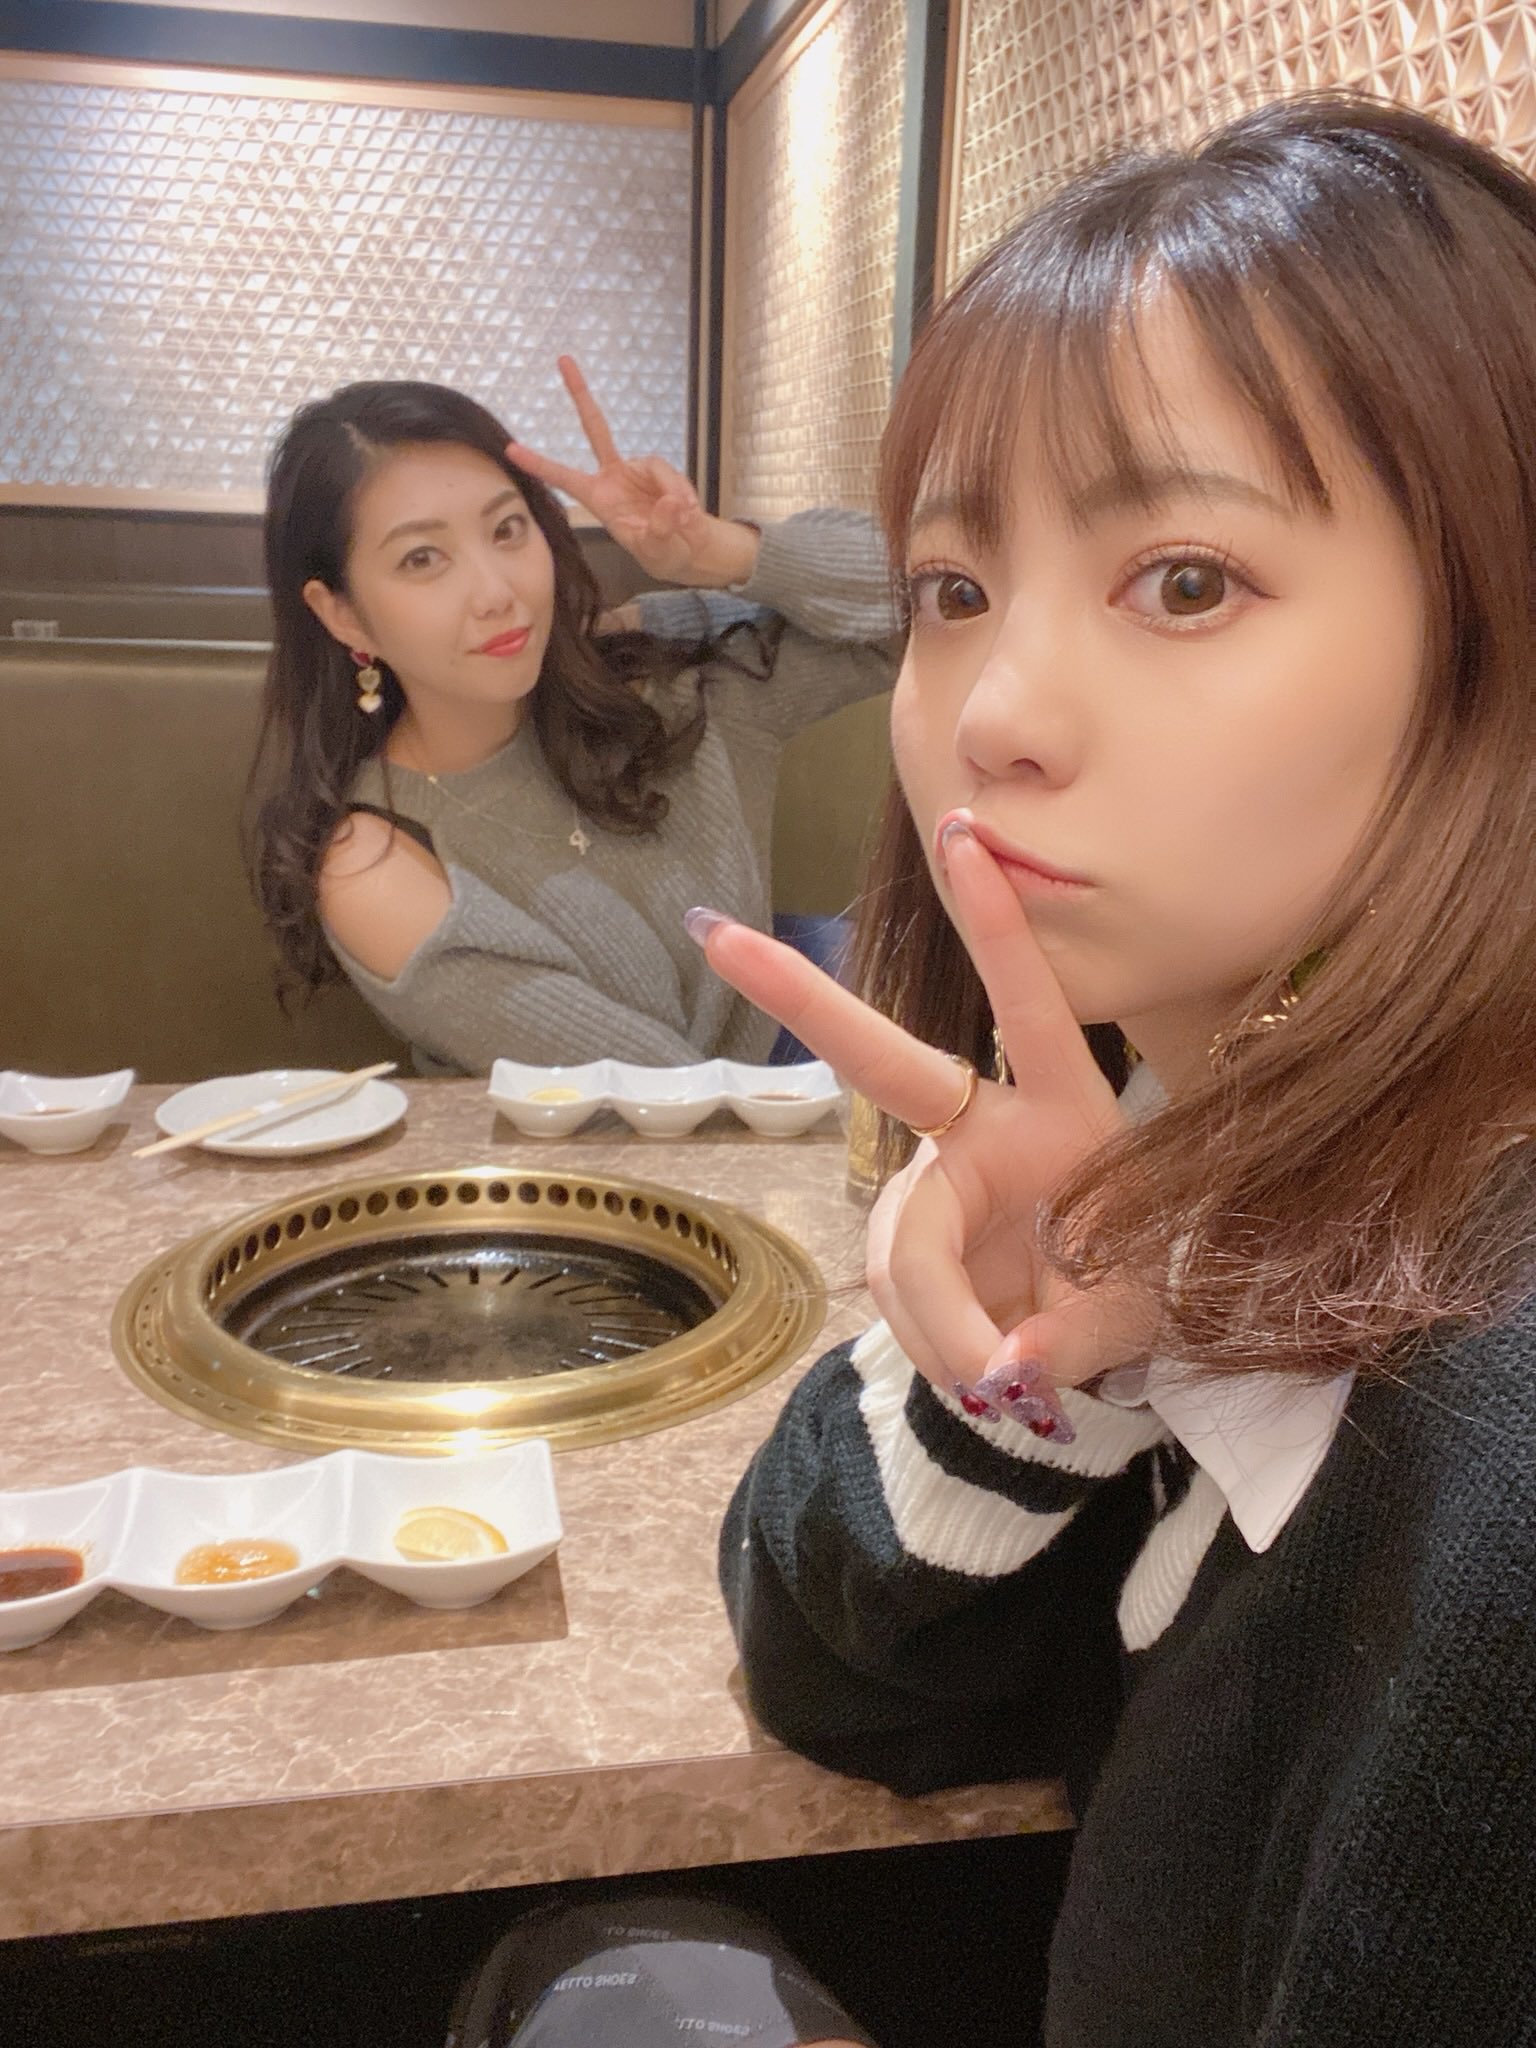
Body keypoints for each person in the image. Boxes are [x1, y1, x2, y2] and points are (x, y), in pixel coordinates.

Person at [679, 95, 1536, 2045]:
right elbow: (835, 1673)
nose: (993, 714)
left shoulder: (1498, 1458)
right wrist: (1021, 1360)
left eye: (1185, 580)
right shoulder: (1200, 1148)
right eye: (953, 590)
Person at [247, 362, 896, 1073]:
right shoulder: (379, 866)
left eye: (507, 529)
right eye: (423, 558)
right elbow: (653, 1102)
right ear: (342, 613)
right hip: (671, 1134)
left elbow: (938, 606)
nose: (496, 593)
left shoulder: (656, 675)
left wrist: (719, 552)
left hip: (804, 1035)